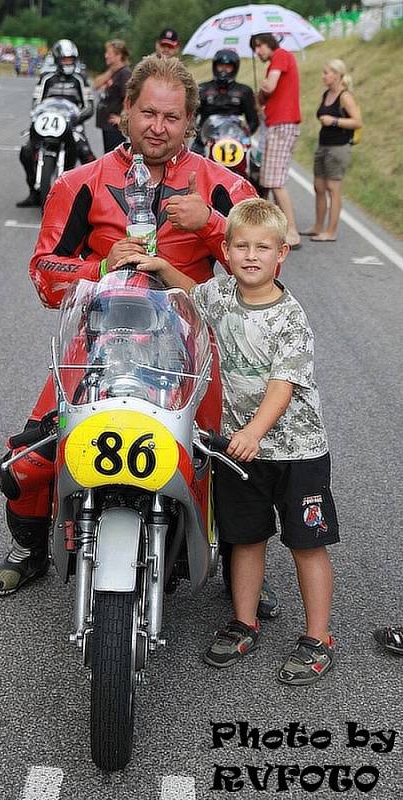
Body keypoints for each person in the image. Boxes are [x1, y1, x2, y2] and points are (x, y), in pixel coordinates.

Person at [0, 54, 259, 598]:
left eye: (172, 118)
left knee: (230, 457)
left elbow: (266, 268)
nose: (158, 127)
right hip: (98, 345)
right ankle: (31, 549)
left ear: (190, 123)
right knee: (29, 457)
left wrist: (214, 226)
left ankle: (241, 568)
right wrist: (101, 267)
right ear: (124, 112)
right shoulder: (80, 182)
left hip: (193, 349)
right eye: (148, 113)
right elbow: (45, 274)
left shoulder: (221, 184)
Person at [119, 198, 340, 685]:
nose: (251, 255)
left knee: (307, 543)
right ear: (226, 249)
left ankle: (318, 638)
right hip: (240, 451)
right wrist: (160, 266)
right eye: (241, 246)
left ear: (282, 254)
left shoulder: (290, 317)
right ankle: (244, 621)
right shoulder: (221, 294)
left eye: (263, 247)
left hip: (295, 451)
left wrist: (253, 433)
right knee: (245, 536)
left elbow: (284, 384)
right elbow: (193, 293)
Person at [16, 39, 95, 208]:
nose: (68, 63)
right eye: (65, 59)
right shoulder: (46, 78)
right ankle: (33, 192)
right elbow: (36, 102)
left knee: (87, 155)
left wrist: (76, 119)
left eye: (71, 59)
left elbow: (89, 106)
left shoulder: (80, 78)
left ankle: (93, 198)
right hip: (47, 123)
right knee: (26, 152)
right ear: (58, 59)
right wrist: (38, 115)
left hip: (72, 125)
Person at [300, 59, 362, 242]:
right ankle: (318, 226)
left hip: (339, 147)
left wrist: (334, 121)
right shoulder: (327, 93)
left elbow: (358, 122)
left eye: (326, 72)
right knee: (318, 187)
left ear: (336, 75)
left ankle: (331, 231)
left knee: (333, 188)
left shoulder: (345, 96)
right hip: (323, 145)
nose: (323, 76)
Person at [250, 34, 301, 249]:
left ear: (269, 44)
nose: (258, 52)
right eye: (255, 48)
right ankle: (275, 226)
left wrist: (263, 87)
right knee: (269, 177)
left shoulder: (281, 55)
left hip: (282, 124)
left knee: (274, 181)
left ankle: (292, 231)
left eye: (259, 46)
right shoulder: (275, 62)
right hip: (275, 124)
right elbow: (266, 97)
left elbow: (270, 86)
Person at [192, 49, 259, 154]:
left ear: (234, 68)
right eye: (220, 66)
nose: (223, 70)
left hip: (233, 142)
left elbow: (253, 121)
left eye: (228, 67)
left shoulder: (244, 91)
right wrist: (198, 134)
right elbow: (192, 116)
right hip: (205, 140)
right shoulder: (202, 89)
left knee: (248, 160)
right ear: (215, 67)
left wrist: (242, 136)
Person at [93, 39, 131, 153]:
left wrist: (122, 119)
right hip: (107, 125)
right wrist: (111, 70)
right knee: (107, 155)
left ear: (119, 56)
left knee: (115, 157)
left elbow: (129, 98)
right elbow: (95, 84)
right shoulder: (113, 72)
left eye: (109, 53)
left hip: (115, 128)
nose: (106, 56)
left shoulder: (125, 73)